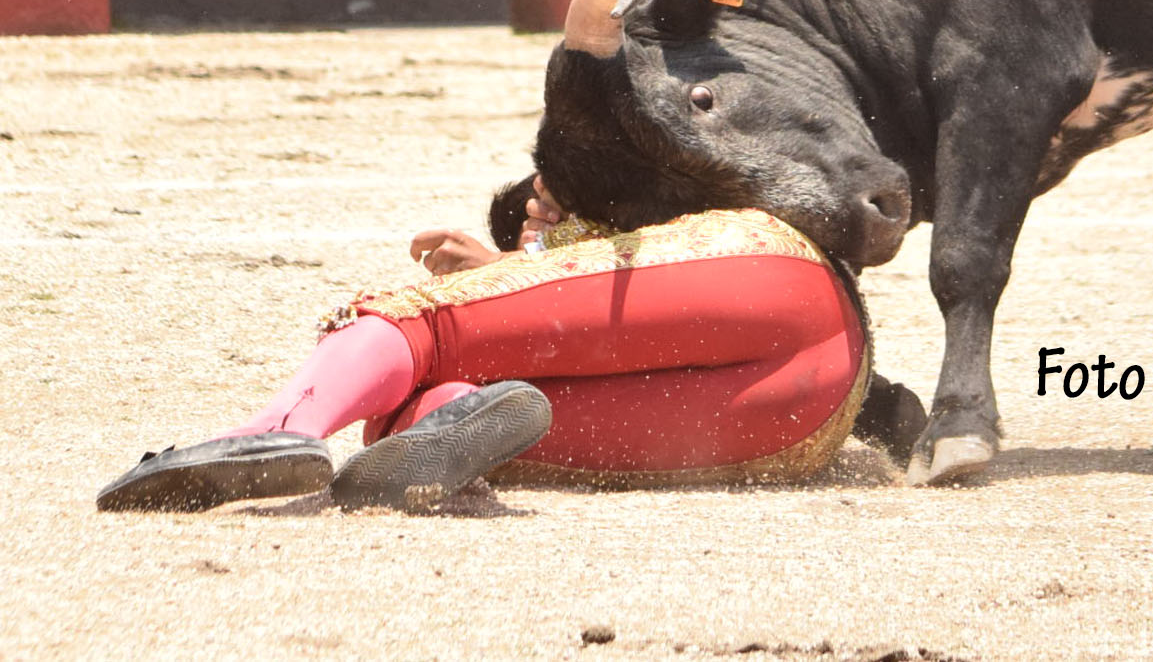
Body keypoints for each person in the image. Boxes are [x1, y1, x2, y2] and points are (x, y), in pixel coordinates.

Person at [97, 178, 892, 512]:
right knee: (470, 415)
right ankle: (425, 432)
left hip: (765, 287)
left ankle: (278, 426)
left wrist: (519, 267)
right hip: (801, 423)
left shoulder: (611, 199)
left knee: (428, 320)